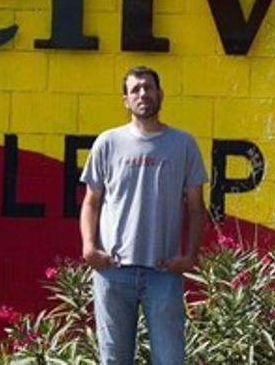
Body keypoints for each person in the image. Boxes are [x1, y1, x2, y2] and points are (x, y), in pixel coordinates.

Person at [79, 65, 207, 365]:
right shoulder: (107, 143)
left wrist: (189, 257)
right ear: (125, 100)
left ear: (160, 94)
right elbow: (91, 201)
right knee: (114, 360)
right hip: (113, 272)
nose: (142, 94)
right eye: (135, 89)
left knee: (170, 360)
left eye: (148, 87)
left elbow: (196, 208)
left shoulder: (183, 144)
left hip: (163, 273)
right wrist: (88, 247)